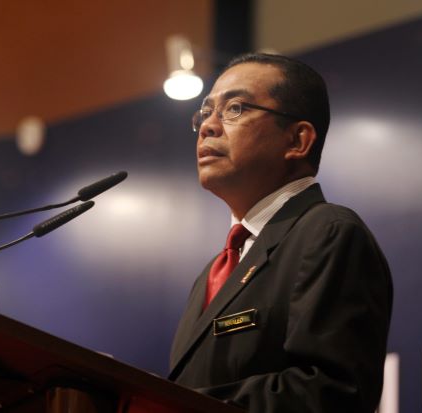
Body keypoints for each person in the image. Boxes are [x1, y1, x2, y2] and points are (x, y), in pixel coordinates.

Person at [168, 53, 392, 413]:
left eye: (235, 108)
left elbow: (331, 392)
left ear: (297, 140)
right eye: (206, 112)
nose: (209, 126)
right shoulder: (212, 272)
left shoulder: (329, 233)